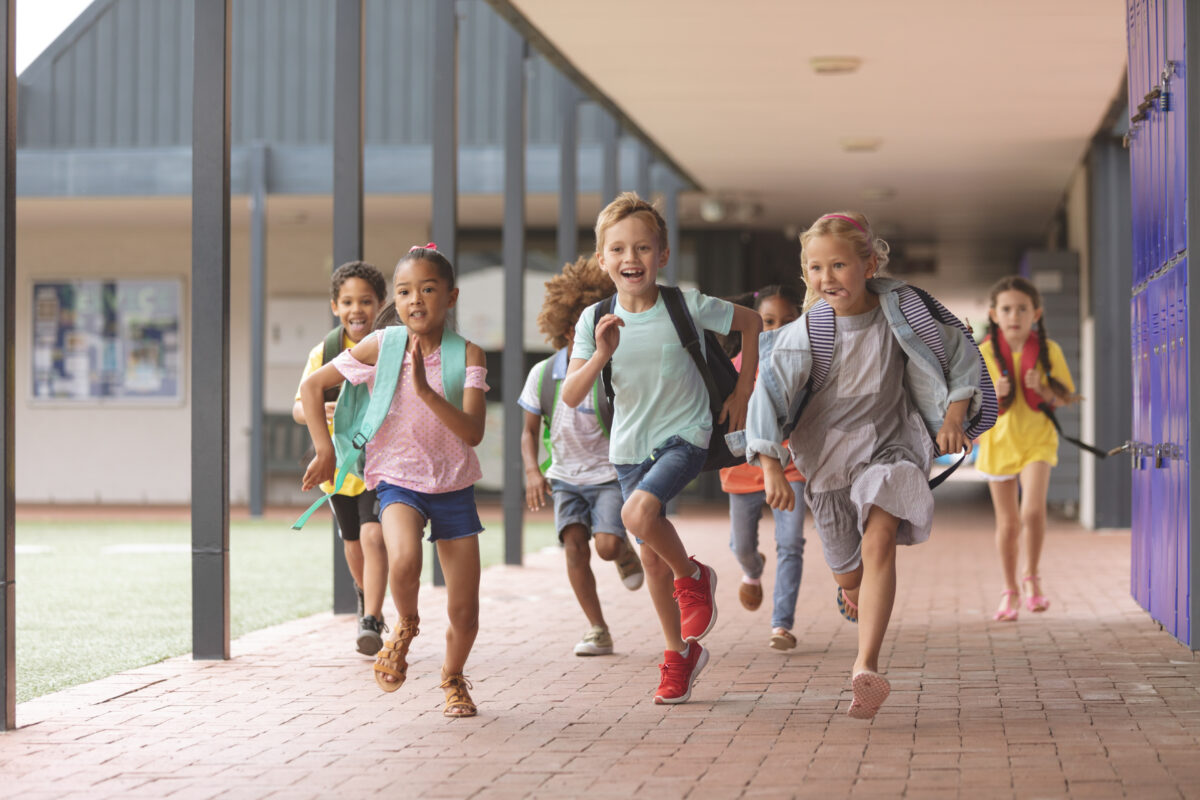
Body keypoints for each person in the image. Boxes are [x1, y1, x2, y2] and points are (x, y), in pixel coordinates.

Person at [745, 212, 993, 719]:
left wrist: (953, 416)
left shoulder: (905, 313)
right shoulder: (805, 332)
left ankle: (866, 666)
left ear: (869, 263)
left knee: (880, 539)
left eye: (839, 264)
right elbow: (766, 394)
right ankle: (852, 590)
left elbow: (961, 354)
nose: (826, 277)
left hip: (892, 447)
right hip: (828, 465)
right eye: (815, 268)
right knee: (849, 575)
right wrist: (771, 464)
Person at [563, 192, 763, 704]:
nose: (631, 259)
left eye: (644, 248)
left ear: (663, 254)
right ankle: (680, 654)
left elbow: (751, 323)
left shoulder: (686, 304)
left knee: (637, 513)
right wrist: (601, 353)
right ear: (603, 258)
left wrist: (743, 391)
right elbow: (571, 393)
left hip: (687, 434)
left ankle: (694, 576)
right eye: (618, 250)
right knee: (651, 558)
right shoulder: (594, 320)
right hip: (629, 446)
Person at [300, 244, 488, 718]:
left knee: (465, 611)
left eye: (428, 289)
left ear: (451, 296)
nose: (415, 300)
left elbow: (473, 431)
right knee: (403, 557)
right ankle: (405, 624)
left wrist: (425, 390)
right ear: (396, 302)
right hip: (397, 481)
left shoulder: (467, 354)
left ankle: (453, 678)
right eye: (404, 291)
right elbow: (311, 386)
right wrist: (325, 450)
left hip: (453, 487)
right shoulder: (382, 345)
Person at [519, 255, 646, 658]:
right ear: (564, 326)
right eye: (576, 324)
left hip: (608, 475)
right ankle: (597, 628)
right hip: (565, 478)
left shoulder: (612, 372)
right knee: (574, 545)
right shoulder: (542, 375)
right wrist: (532, 472)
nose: (582, 332)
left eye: (591, 323)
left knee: (605, 546)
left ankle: (623, 551)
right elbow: (527, 432)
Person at [291, 260, 388, 656]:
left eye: (366, 301)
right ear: (335, 306)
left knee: (373, 534)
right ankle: (366, 594)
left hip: (380, 462)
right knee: (352, 542)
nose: (357, 309)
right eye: (347, 301)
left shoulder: (388, 345)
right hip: (338, 467)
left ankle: (372, 618)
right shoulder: (326, 352)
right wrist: (321, 412)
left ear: (380, 304)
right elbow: (299, 405)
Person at [976, 276, 1076, 622]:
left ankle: (1032, 577)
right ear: (993, 314)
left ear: (1036, 313)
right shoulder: (984, 352)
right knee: (1008, 523)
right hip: (998, 442)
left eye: (1022, 308)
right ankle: (1010, 591)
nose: (1014, 315)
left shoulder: (1050, 351)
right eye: (1006, 309)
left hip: (1037, 438)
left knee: (1032, 512)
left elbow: (1064, 399)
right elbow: (971, 404)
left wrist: (1044, 390)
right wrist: (995, 392)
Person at [718, 285, 808, 651]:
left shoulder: (805, 364)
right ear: (751, 325)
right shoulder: (733, 367)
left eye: (788, 321)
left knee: (791, 543)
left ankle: (781, 625)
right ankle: (752, 570)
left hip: (790, 465)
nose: (777, 329)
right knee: (742, 546)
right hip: (741, 467)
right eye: (767, 321)